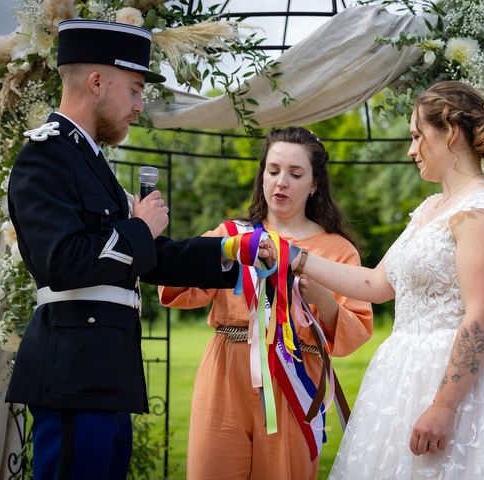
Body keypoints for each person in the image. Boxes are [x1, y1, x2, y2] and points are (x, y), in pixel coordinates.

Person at [4, 19, 267, 480]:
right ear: (98, 82)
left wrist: (231, 250)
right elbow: (61, 262)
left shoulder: (90, 160)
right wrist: (138, 230)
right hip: (72, 375)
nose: (140, 106)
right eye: (135, 89)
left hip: (105, 373)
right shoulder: (44, 156)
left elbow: (153, 256)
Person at [288, 81, 484, 479]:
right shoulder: (431, 208)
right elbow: (376, 284)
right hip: (401, 377)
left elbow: (482, 318)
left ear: (450, 131)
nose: (411, 149)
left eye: (417, 135)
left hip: (457, 388)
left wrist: (445, 406)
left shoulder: (483, 211)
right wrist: (296, 258)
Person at [158, 127, 373, 480]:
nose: (281, 182)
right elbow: (176, 287)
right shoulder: (231, 235)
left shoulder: (338, 250)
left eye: (295, 173)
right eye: (273, 171)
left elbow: (358, 328)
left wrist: (322, 299)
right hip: (227, 370)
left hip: (295, 375)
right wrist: (226, 256)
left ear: (314, 183)